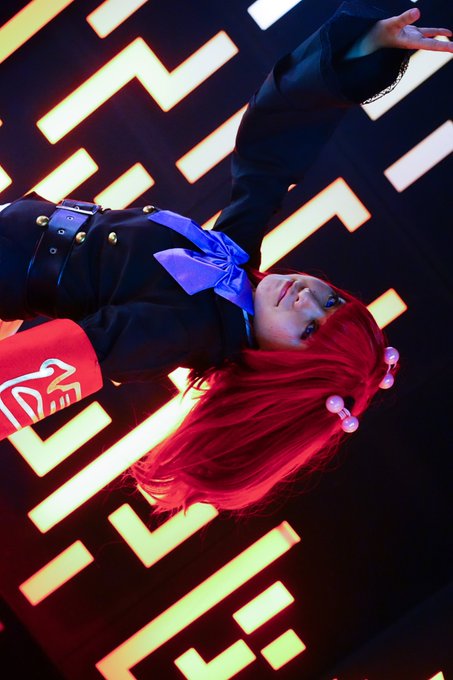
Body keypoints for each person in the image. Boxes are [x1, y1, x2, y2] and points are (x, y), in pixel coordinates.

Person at [0, 4, 451, 514]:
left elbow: (72, 360)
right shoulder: (235, 262)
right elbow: (268, 155)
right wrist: (359, 53)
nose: (306, 299)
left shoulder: (191, 331)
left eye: (308, 330)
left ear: (282, 370)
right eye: (331, 302)